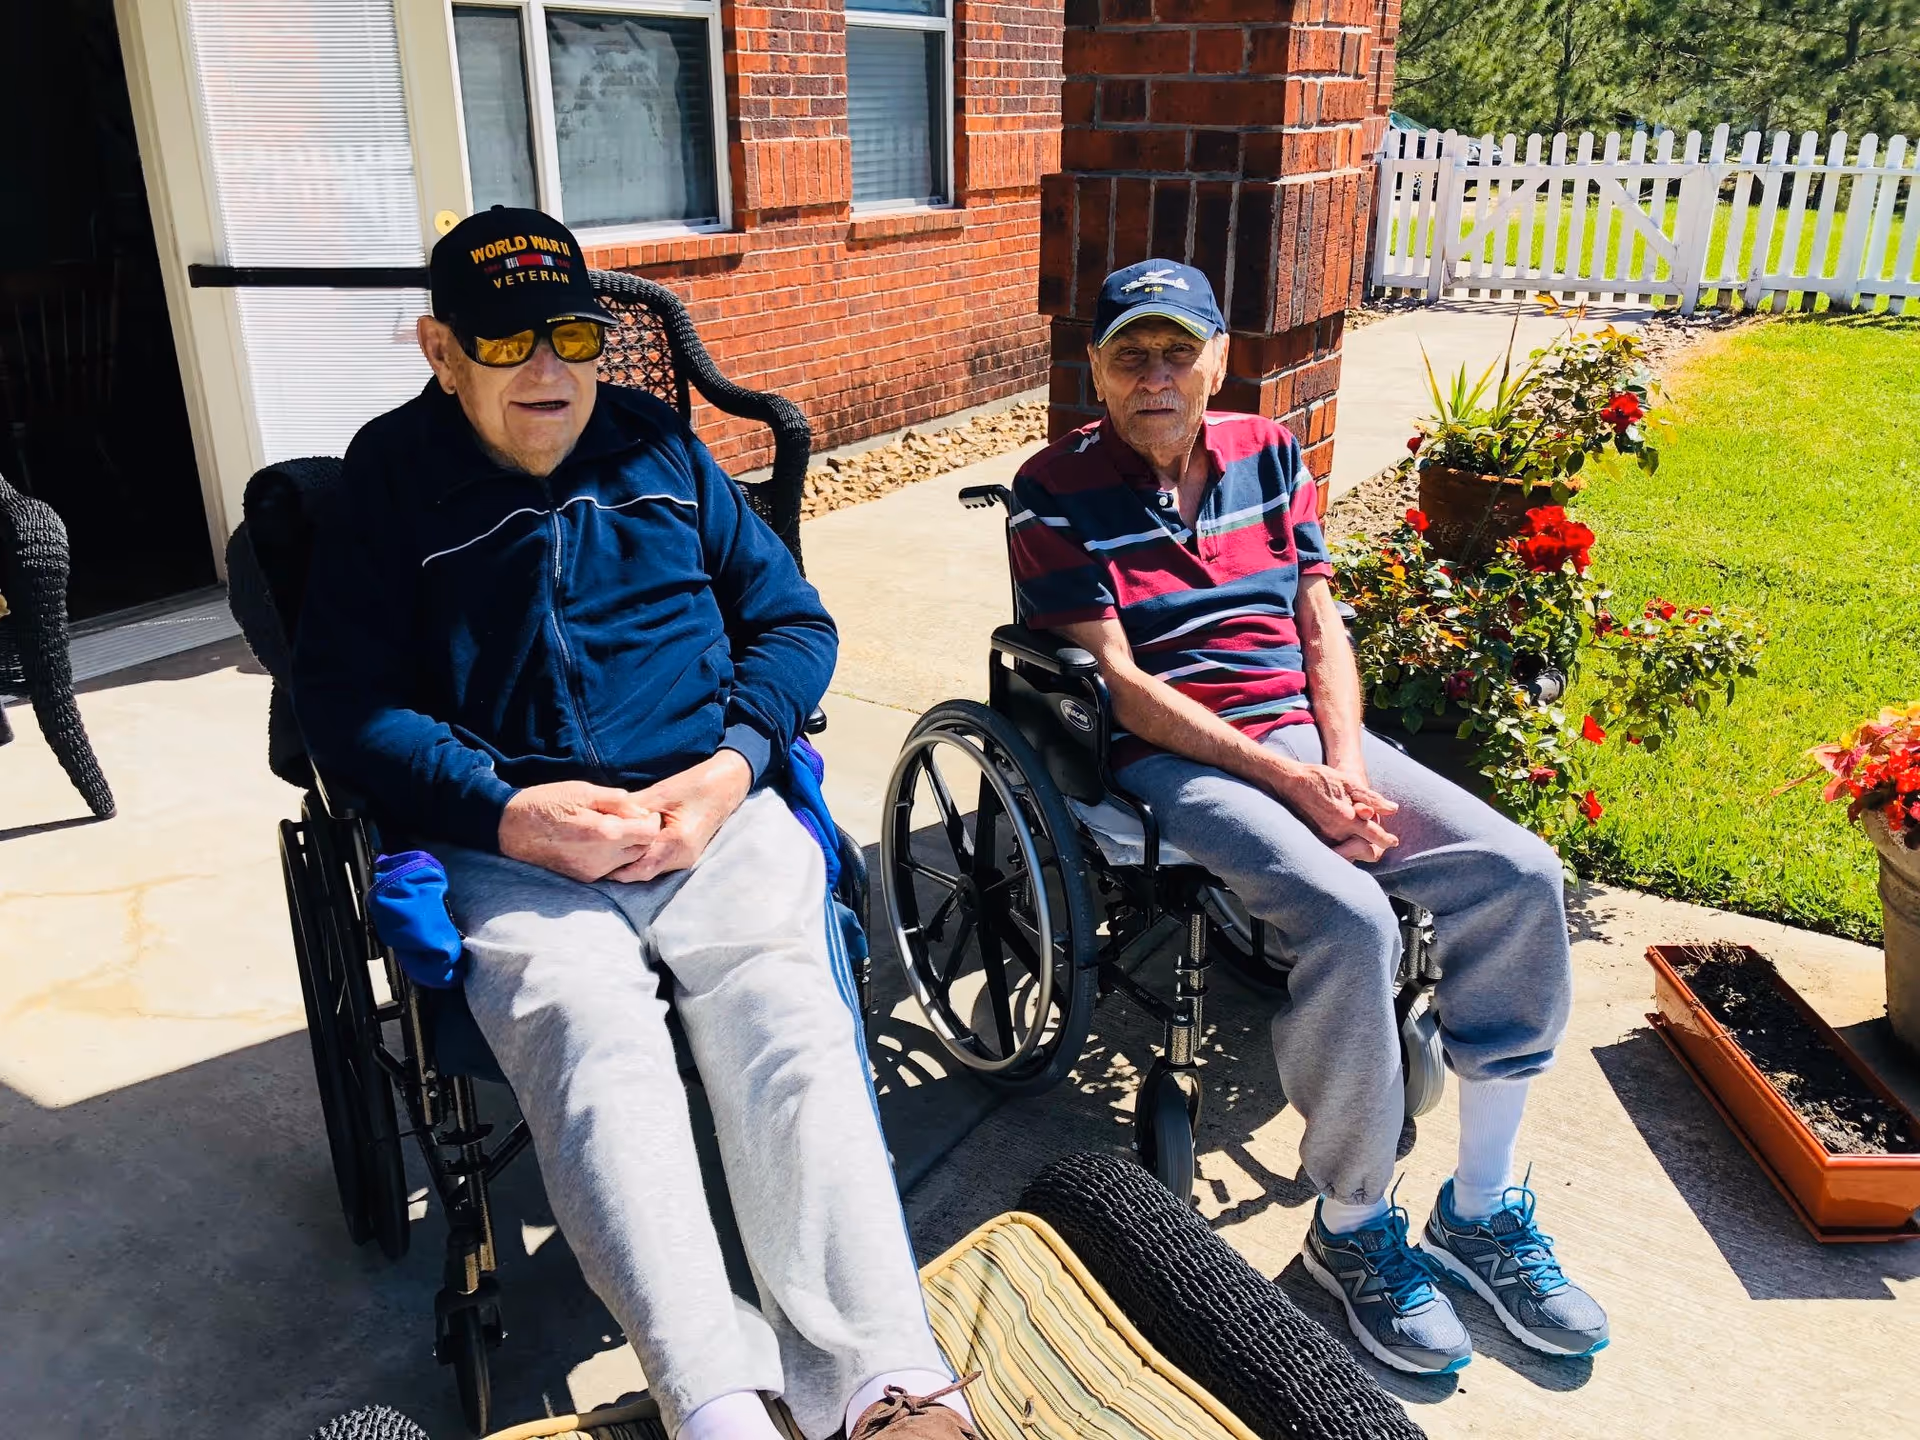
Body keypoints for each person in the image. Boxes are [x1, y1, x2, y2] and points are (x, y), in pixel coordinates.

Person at [293, 207, 976, 1440]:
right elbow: (345, 708)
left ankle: (883, 1386)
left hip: (708, 811)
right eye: (509, 343)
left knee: (790, 1026)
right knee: (595, 1044)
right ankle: (714, 1403)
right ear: (439, 349)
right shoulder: (386, 482)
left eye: (573, 334)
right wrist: (506, 811)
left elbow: (793, 625)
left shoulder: (658, 445)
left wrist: (729, 769)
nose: (550, 369)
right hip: (514, 841)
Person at [1006, 259, 1609, 1377]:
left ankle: (1479, 1210)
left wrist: (1340, 762)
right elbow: (1121, 686)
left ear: (1218, 361)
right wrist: (1294, 787)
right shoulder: (1053, 486)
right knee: (1348, 919)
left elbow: (1319, 624)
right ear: (1094, 370)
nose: (1156, 376)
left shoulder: (1270, 452)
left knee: (1519, 874)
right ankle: (1352, 1226)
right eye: (1129, 354)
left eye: (1177, 351)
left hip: (1306, 738)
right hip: (1170, 757)